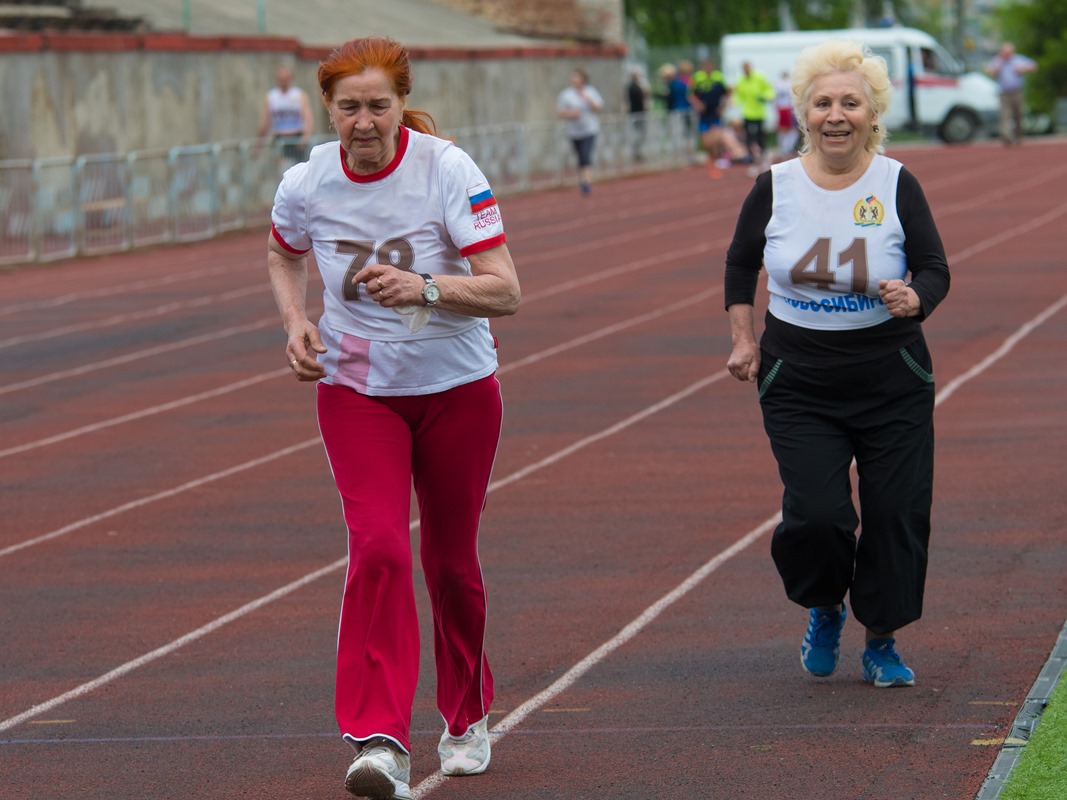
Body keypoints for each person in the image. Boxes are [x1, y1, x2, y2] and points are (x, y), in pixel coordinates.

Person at [266, 36, 520, 799]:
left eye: (379, 105)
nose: (365, 122)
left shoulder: (447, 169)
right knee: (376, 548)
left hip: (455, 387)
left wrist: (426, 289)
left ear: (400, 104)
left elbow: (505, 289)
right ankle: (378, 740)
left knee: (449, 563)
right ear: (328, 110)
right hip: (355, 389)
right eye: (349, 108)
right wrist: (294, 321)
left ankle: (466, 712)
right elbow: (282, 253)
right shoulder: (306, 179)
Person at [723, 40, 950, 690]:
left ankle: (881, 639)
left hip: (890, 376)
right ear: (803, 112)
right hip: (800, 379)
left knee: (895, 511)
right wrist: (743, 339)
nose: (835, 114)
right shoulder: (775, 184)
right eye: (822, 102)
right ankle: (824, 605)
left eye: (849, 102)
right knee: (817, 515)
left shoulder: (897, 182)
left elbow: (933, 266)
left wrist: (916, 297)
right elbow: (741, 263)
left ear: (871, 111)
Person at [557, 68, 604, 195]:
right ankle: (582, 179)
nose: (574, 80)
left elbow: (598, 107)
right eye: (573, 78)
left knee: (586, 155)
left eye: (577, 77)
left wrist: (588, 99)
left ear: (583, 79)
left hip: (589, 129)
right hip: (574, 131)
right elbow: (560, 111)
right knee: (579, 157)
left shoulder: (590, 91)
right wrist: (571, 114)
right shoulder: (566, 94)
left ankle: (586, 183)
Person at [258, 64, 315, 163]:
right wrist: (258, 144)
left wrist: (306, 138)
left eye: (286, 78)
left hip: (296, 139)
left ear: (290, 78)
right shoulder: (271, 97)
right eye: (281, 78)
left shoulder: (299, 95)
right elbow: (265, 122)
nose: (283, 80)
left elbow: (308, 118)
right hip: (279, 139)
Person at [985, 42, 1038, 146]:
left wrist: (1023, 69)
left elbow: (1034, 66)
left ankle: (1018, 136)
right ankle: (1006, 136)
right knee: (1005, 115)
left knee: (1018, 115)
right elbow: (989, 71)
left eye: (1008, 53)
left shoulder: (1018, 59)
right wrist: (997, 68)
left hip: (1017, 92)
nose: (1007, 55)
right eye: (1005, 53)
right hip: (1004, 93)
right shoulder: (997, 61)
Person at [690, 60, 729, 178]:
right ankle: (711, 159)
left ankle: (715, 163)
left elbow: (727, 93)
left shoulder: (719, 77)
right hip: (704, 115)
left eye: (709, 66)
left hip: (715, 114)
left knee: (715, 140)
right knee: (706, 142)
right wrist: (698, 104)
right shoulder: (697, 78)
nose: (708, 69)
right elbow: (690, 94)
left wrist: (722, 107)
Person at [732, 60, 775, 169]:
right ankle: (752, 159)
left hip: (759, 112)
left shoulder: (759, 78)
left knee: (760, 135)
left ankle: (763, 156)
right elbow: (739, 95)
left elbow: (769, 89)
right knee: (749, 136)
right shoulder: (741, 80)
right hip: (747, 112)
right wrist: (734, 103)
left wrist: (766, 96)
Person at [627, 67, 650, 163]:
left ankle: (640, 152)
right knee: (637, 134)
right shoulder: (632, 87)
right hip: (635, 113)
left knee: (642, 134)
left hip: (641, 112)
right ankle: (636, 153)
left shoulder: (638, 86)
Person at [773, 70, 798, 158]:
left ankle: (784, 147)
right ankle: (786, 148)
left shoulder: (777, 84)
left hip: (781, 109)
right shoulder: (790, 84)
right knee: (790, 129)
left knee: (783, 129)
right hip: (788, 108)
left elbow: (774, 99)